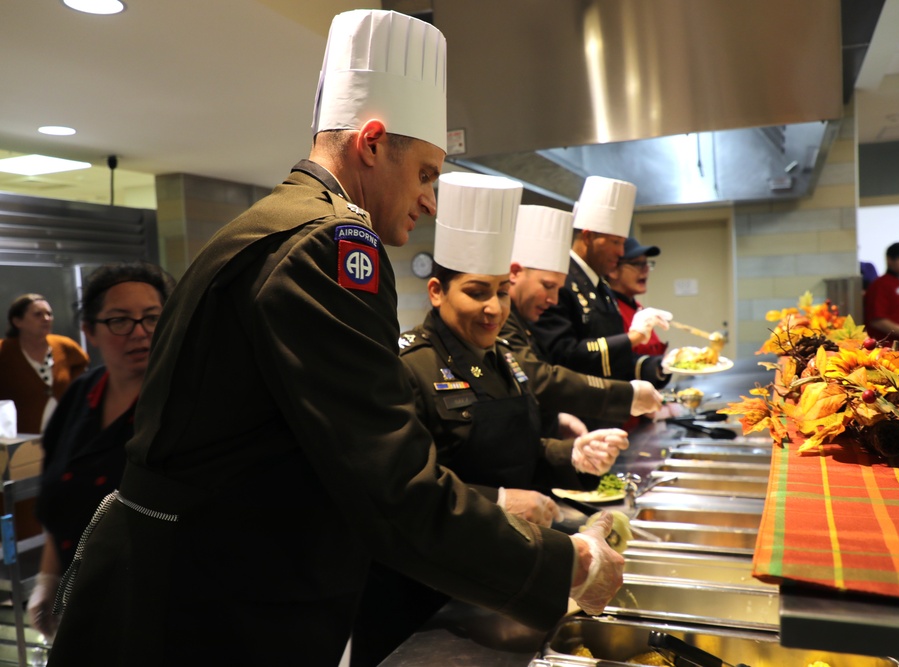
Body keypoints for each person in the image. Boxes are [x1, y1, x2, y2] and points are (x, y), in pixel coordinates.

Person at [47, 11, 623, 666]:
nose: (431, 200)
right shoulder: (331, 245)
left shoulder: (277, 224)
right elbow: (393, 486)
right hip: (208, 610)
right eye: (428, 174)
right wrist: (564, 563)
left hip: (190, 584)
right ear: (372, 144)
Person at [352, 174, 629, 666]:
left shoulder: (505, 359)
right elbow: (400, 494)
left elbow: (518, 449)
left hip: (497, 579)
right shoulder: (408, 367)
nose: (493, 309)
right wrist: (500, 501)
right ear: (437, 291)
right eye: (478, 292)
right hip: (422, 598)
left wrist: (571, 456)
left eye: (502, 292)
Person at [28, 262, 174, 641]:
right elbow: (59, 491)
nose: (139, 333)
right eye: (120, 320)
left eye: (153, 318)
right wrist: (49, 579)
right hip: (82, 605)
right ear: (90, 331)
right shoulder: (81, 394)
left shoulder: (183, 403)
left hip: (161, 612)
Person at [503, 205, 663, 432]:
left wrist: (658, 367)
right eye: (478, 292)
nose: (552, 299)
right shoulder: (505, 319)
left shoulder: (601, 288)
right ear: (514, 273)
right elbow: (549, 371)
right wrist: (627, 392)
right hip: (583, 414)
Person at [530, 176, 673, 426]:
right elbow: (563, 354)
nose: (620, 252)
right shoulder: (561, 281)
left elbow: (617, 360)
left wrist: (660, 367)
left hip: (608, 415)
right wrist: (632, 338)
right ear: (588, 236)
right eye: (616, 242)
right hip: (577, 417)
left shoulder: (602, 286)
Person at [0, 294, 88, 434]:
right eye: (38, 314)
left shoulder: (65, 346)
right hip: (20, 442)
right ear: (17, 321)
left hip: (65, 436)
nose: (46, 319)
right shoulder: (4, 351)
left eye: (49, 314)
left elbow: (82, 370)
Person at [607, 237, 667, 359]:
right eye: (637, 264)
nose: (645, 269)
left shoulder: (639, 308)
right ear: (613, 270)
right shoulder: (609, 310)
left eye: (646, 263)